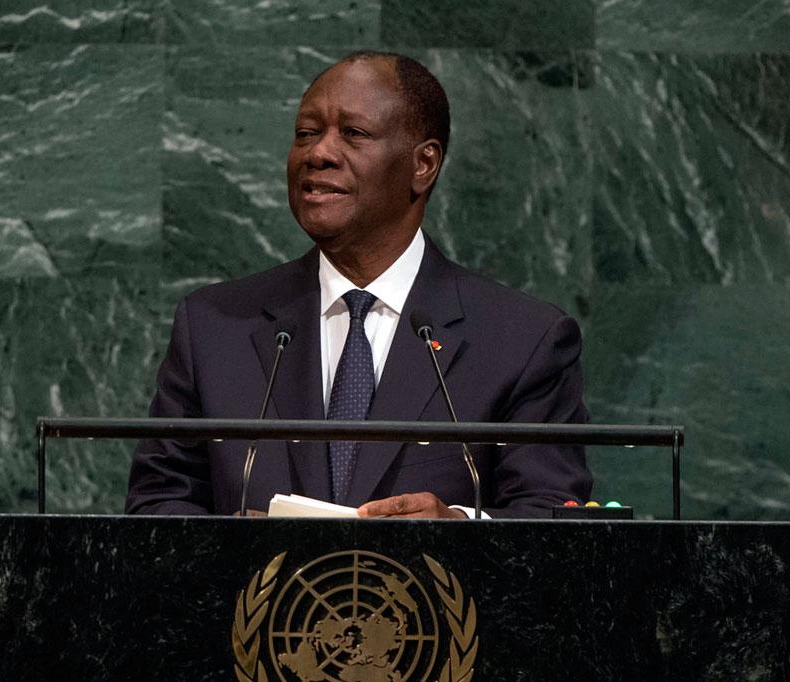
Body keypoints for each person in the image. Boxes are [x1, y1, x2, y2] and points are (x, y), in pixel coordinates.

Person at [126, 51, 591, 518]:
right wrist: (232, 545)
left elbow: (552, 516)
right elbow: (156, 505)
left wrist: (458, 526)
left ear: (423, 164)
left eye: (353, 134)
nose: (319, 153)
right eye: (306, 133)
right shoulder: (214, 328)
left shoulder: (523, 340)